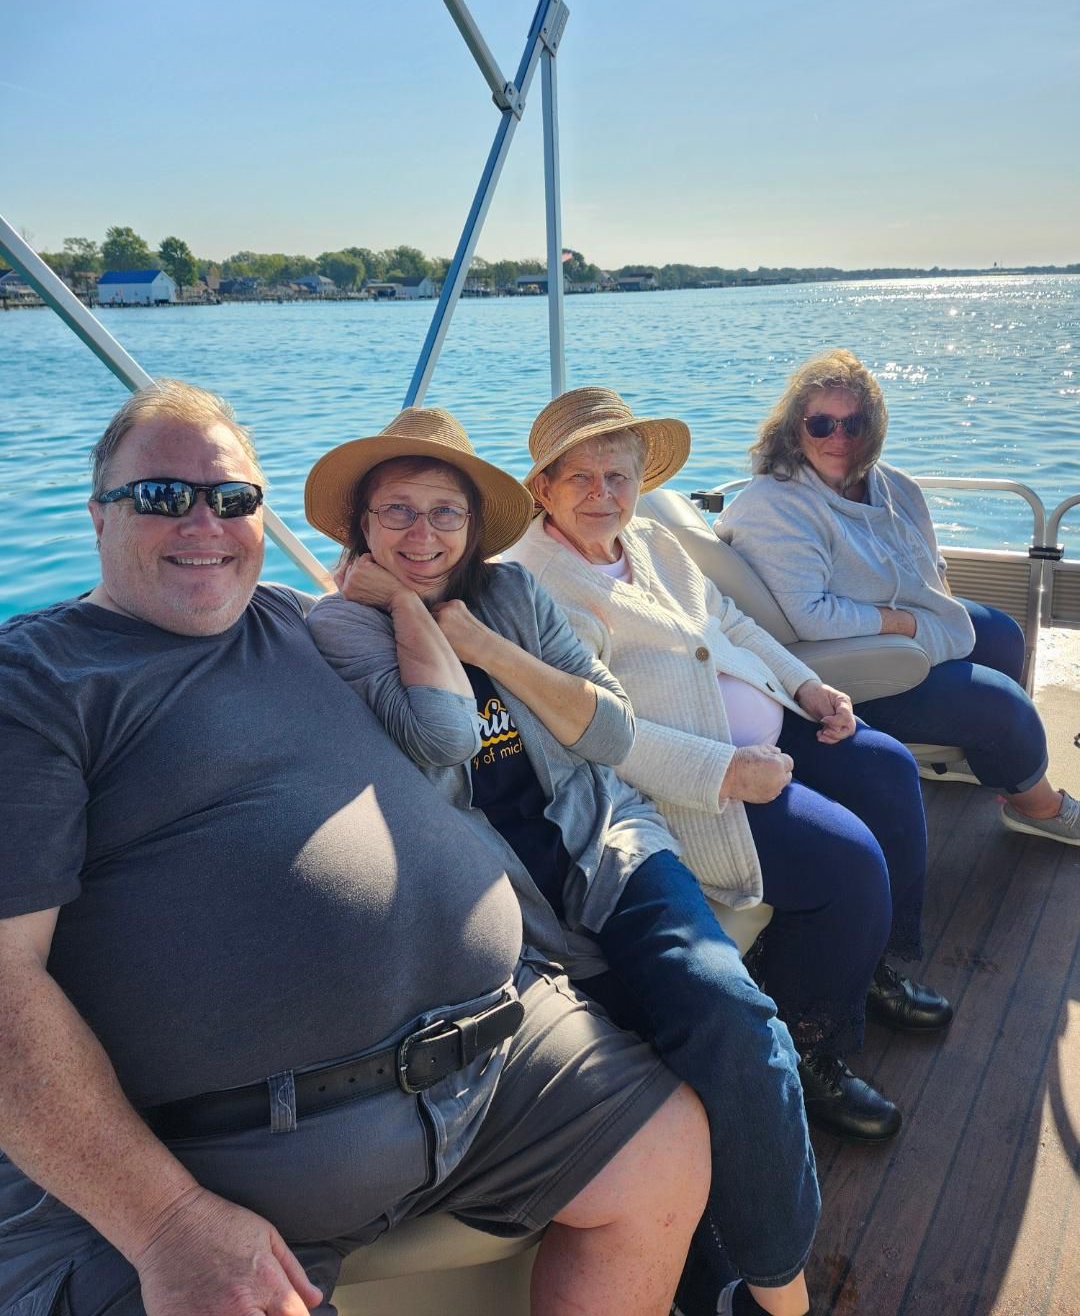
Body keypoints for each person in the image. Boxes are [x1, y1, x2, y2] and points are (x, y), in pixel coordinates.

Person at [0, 379, 712, 1316]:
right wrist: (166, 1218)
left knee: (668, 1146)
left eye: (234, 498)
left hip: (499, 1054)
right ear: (99, 515)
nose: (205, 522)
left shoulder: (301, 625)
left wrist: (406, 606)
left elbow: (451, 737)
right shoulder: (41, 681)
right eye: (164, 496)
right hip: (236, 1153)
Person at [304, 407, 818, 1316]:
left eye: (445, 512)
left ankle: (782, 1294)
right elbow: (441, 731)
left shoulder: (514, 598)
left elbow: (613, 730)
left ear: (475, 522)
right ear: (361, 528)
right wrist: (405, 610)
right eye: (397, 513)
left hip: (612, 846)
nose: (423, 534)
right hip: (504, 909)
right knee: (652, 1075)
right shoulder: (342, 631)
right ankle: (701, 1278)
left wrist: (484, 643)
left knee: (735, 1021)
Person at [504, 386, 954, 1148]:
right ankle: (811, 1051)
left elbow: (734, 624)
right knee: (848, 863)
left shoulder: (650, 544)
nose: (602, 494)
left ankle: (871, 965)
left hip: (772, 728)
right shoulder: (537, 586)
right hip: (695, 785)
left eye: (617, 476)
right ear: (543, 488)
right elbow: (590, 730)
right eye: (579, 478)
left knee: (886, 770)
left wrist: (807, 687)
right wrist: (723, 773)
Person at [717, 348, 1078, 847]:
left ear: (874, 427)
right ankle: (1036, 808)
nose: (838, 437)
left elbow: (934, 569)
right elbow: (809, 616)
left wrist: (936, 613)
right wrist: (910, 625)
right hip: (841, 660)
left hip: (891, 622)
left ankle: (963, 758)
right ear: (795, 429)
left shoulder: (891, 487)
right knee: (1002, 706)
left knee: (1001, 636)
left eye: (854, 423)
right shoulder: (775, 508)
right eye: (821, 423)